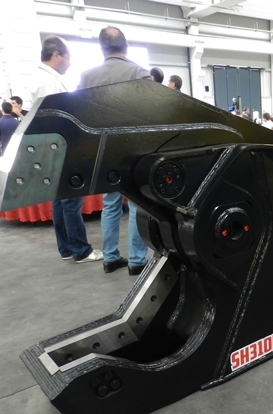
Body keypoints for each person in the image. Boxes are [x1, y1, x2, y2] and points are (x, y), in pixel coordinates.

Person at [78, 26, 150, 276]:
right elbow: (152, 115)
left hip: (103, 150)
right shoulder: (139, 73)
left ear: (101, 48)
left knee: (110, 204)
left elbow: (81, 115)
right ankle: (137, 260)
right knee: (137, 205)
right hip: (134, 150)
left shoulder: (87, 77)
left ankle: (110, 257)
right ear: (126, 46)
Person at [28, 35, 102, 264]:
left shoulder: (41, 78)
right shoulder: (49, 82)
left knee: (60, 202)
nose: (69, 63)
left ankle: (67, 248)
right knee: (70, 201)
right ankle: (81, 250)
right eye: (68, 58)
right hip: (60, 147)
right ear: (56, 55)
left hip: (50, 147)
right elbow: (59, 118)